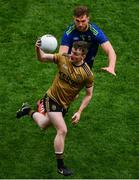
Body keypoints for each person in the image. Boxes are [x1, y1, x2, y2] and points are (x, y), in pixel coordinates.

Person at [16, 40, 94, 176]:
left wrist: (79, 111)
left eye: (76, 54)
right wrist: (37, 48)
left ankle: (27, 110)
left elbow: (88, 94)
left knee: (43, 125)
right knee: (62, 130)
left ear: (83, 56)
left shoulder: (87, 74)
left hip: (64, 105)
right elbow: (42, 57)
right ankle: (60, 166)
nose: (72, 55)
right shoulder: (63, 57)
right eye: (72, 52)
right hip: (51, 98)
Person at [59, 5, 116, 76]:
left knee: (87, 84)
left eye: (83, 21)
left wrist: (111, 67)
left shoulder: (95, 32)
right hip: (71, 63)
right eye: (77, 21)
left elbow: (110, 50)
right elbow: (61, 55)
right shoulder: (69, 32)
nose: (80, 24)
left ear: (88, 19)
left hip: (87, 64)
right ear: (74, 19)